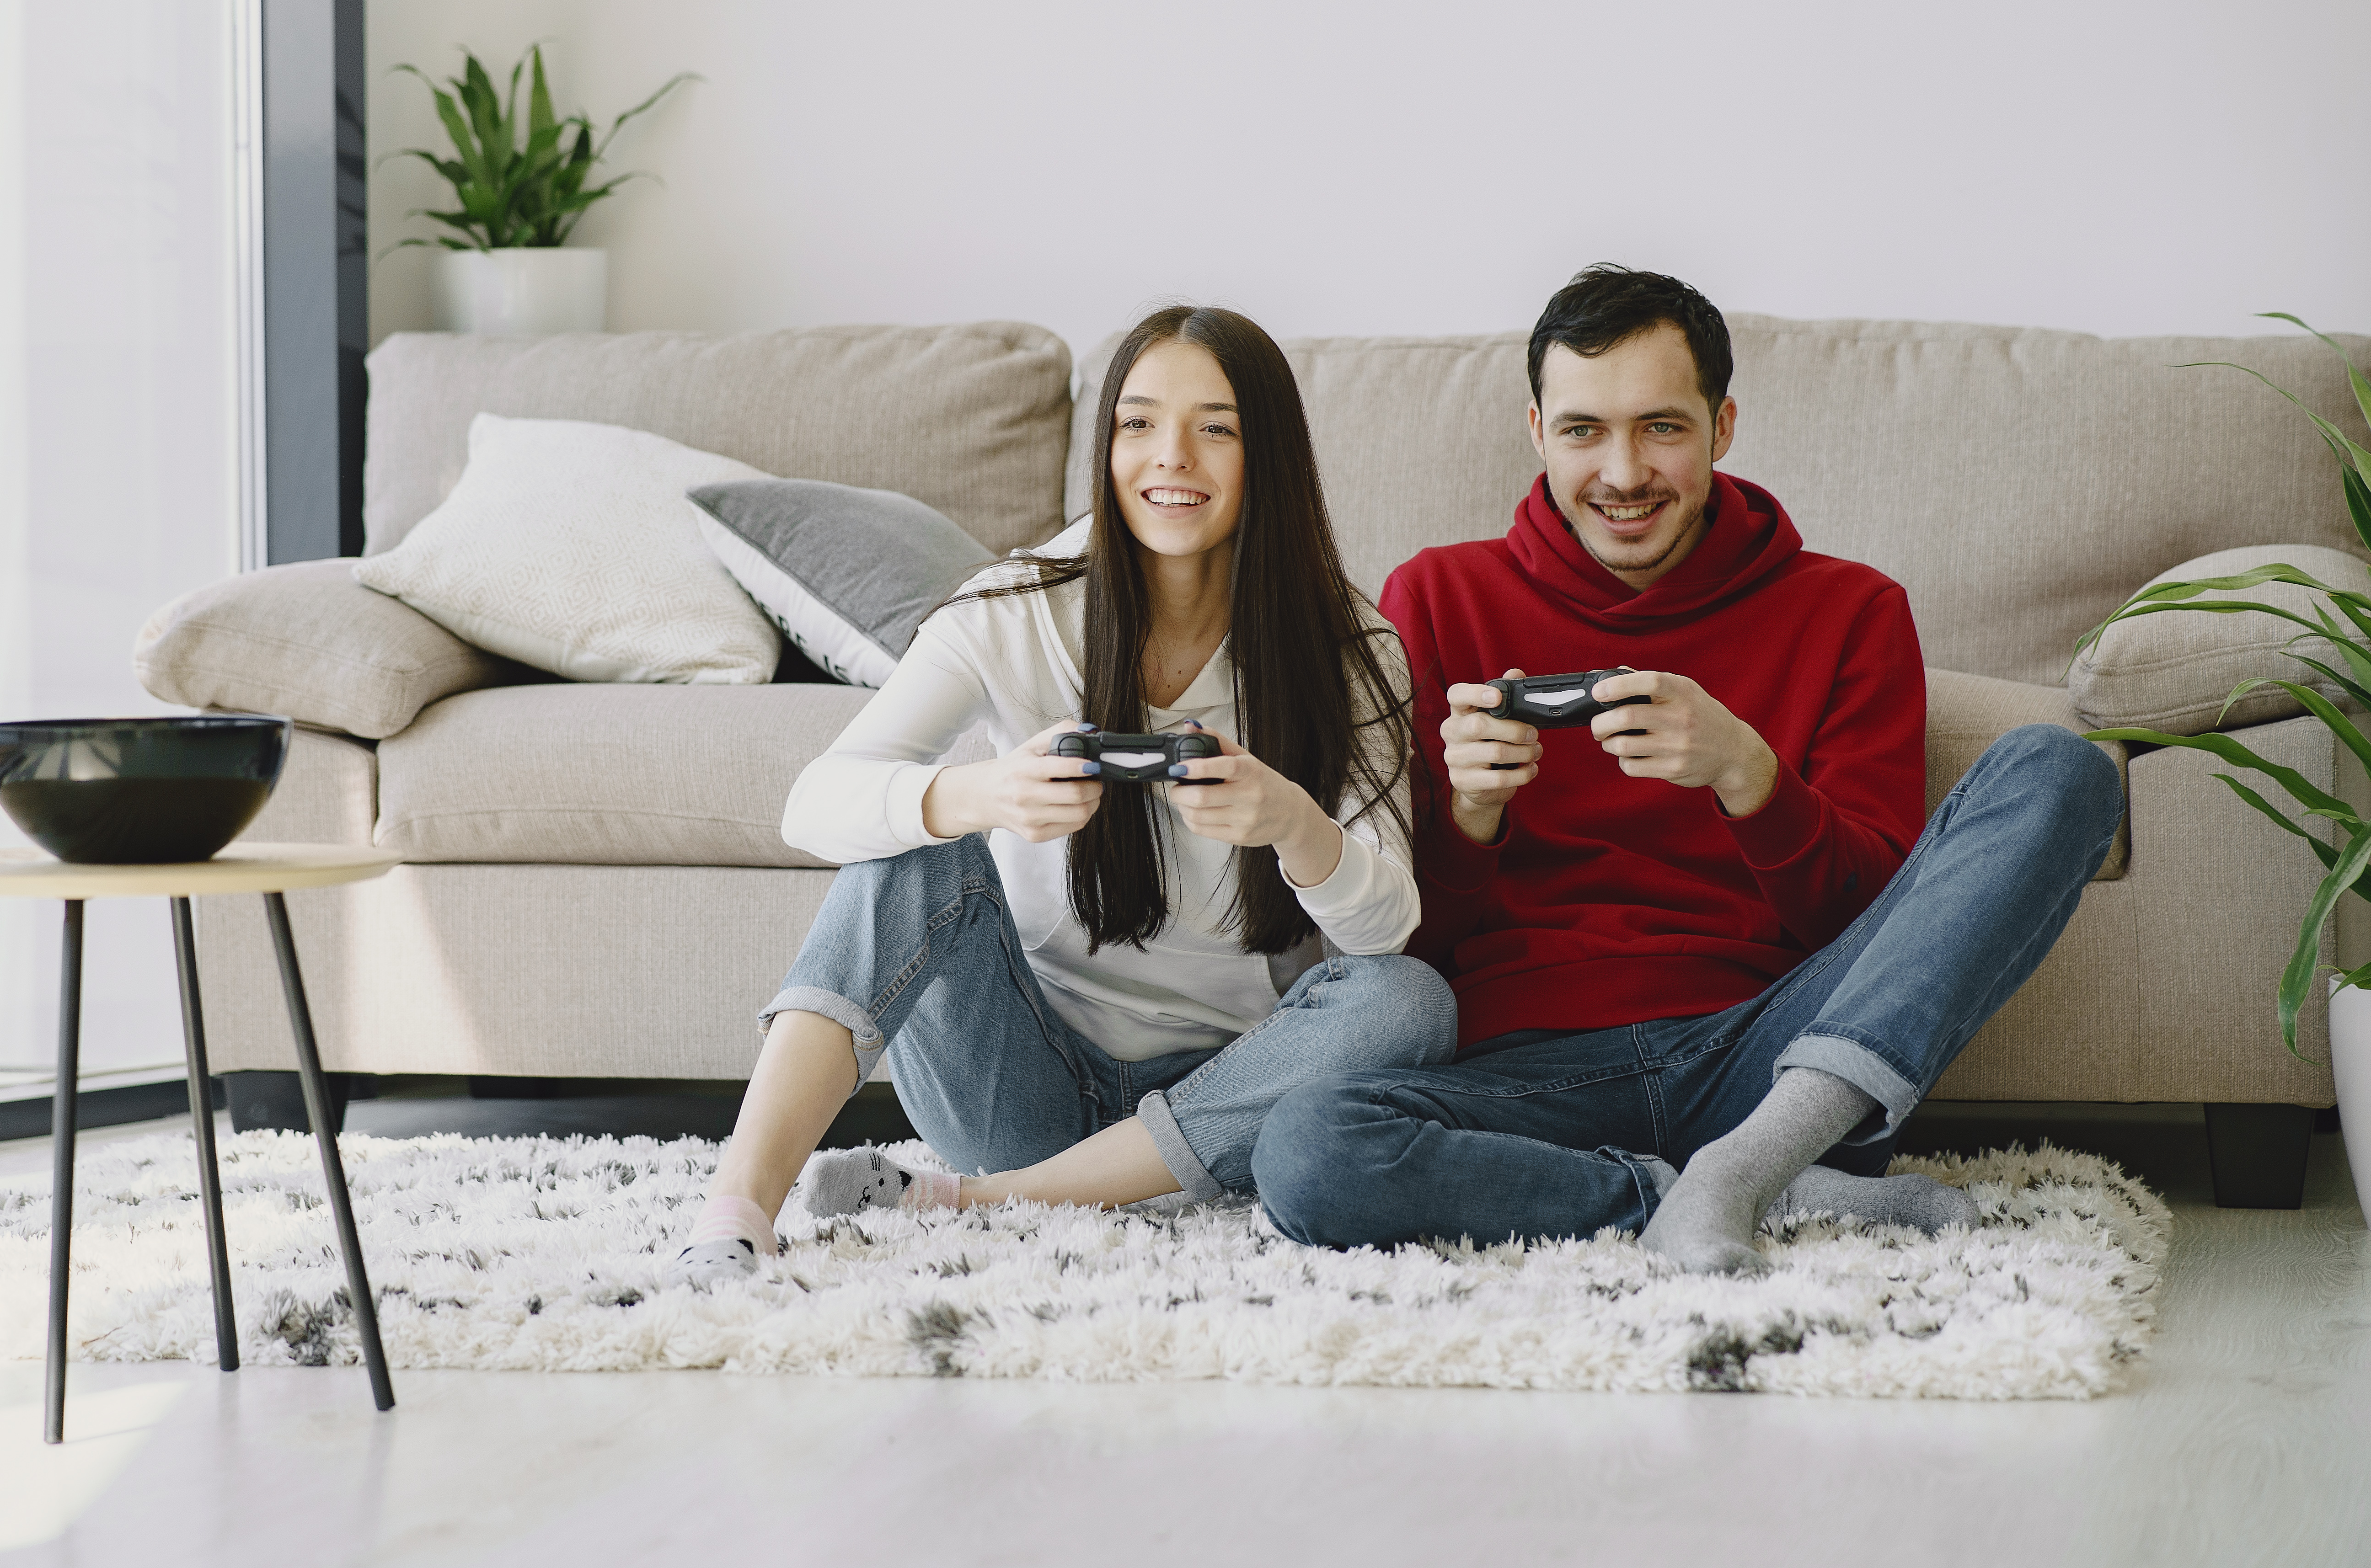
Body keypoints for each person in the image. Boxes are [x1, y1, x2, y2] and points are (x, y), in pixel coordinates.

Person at [1248, 265, 2125, 1274]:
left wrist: (1750, 774)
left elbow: (1883, 931)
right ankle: (1732, 1190)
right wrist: (1473, 812)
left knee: (2060, 770)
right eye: (1584, 431)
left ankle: (1755, 1158)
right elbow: (1401, 953)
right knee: (1307, 1148)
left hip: (1771, 1057)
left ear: (1722, 426)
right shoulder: (1439, 596)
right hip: (1521, 1077)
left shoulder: (1853, 611)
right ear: (1537, 432)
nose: (1623, 472)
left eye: (1661, 427)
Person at [669, 305, 1457, 1285]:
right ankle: (735, 1213)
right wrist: (985, 793)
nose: (1171, 457)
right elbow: (815, 804)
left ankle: (986, 1202)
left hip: (1225, 1088)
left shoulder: (1350, 648)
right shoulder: (1016, 608)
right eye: (1139, 423)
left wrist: (1294, 824)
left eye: (1215, 427)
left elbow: (1387, 930)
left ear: (1271, 456)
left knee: (1409, 1002)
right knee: (907, 842)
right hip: (1019, 1085)